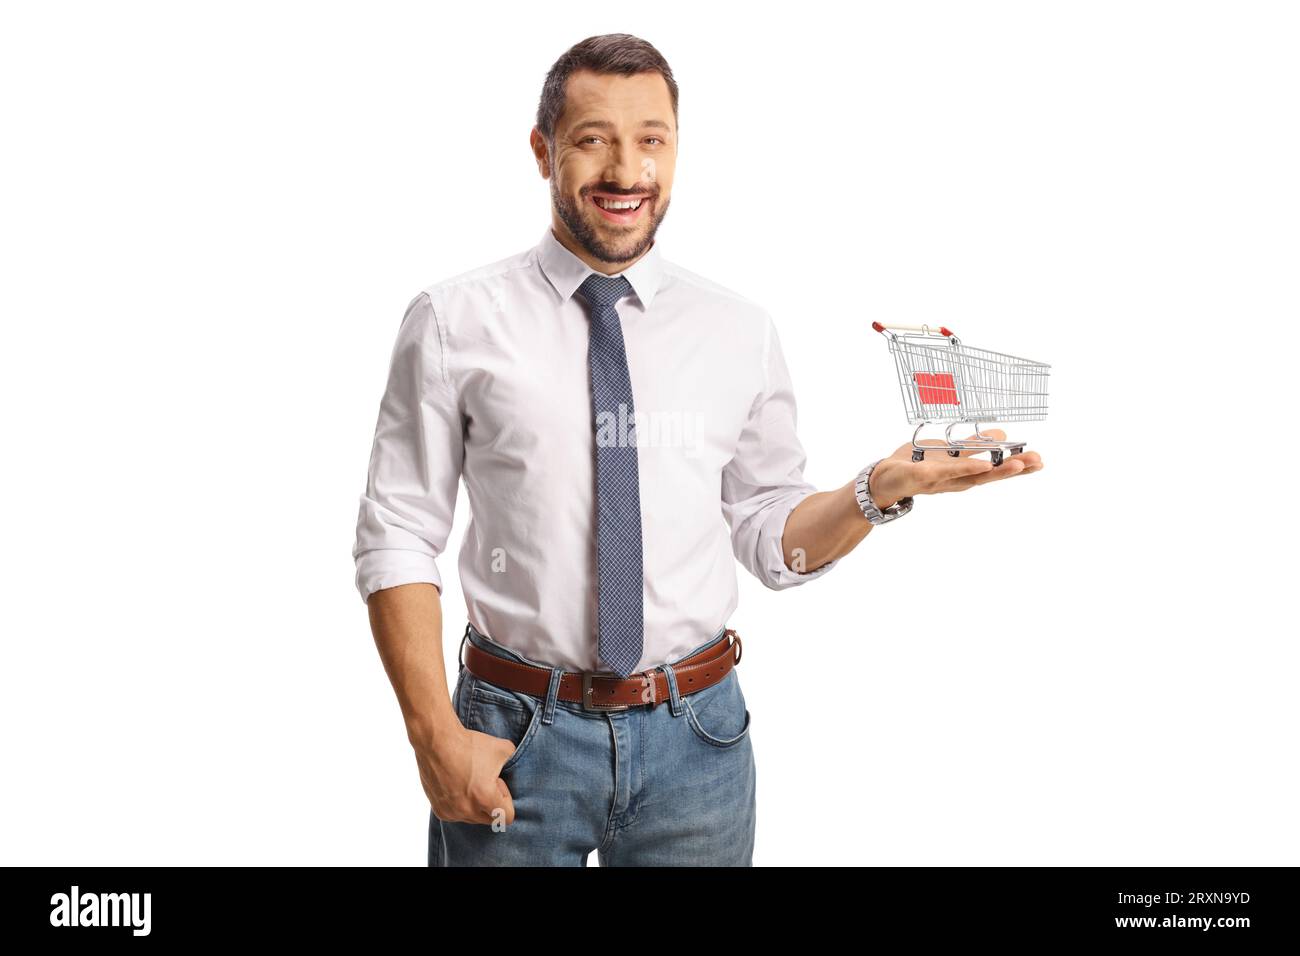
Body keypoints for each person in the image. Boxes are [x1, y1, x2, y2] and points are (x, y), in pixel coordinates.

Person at [352, 33, 1044, 867]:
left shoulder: (736, 330)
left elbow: (768, 528)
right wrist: (434, 739)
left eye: (651, 139)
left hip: (699, 742)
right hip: (511, 733)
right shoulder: (453, 322)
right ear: (543, 151)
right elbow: (398, 532)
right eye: (593, 138)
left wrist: (878, 488)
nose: (625, 170)